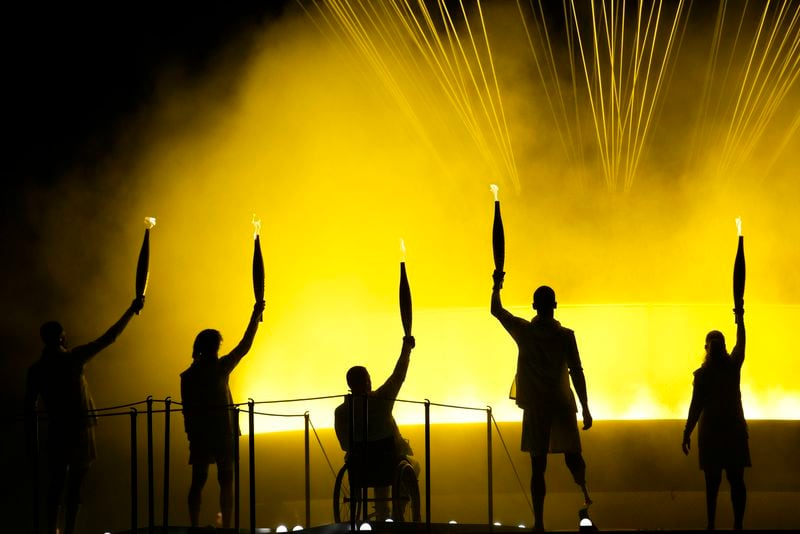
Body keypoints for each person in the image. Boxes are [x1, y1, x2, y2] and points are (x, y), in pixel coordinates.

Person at [25, 296, 145, 534]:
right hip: (80, 430)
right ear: (61, 337)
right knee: (75, 487)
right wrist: (131, 311)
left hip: (57, 430)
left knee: (55, 485)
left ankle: (51, 530)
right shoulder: (73, 359)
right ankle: (69, 530)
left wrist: (31, 440)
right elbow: (109, 338)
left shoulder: (36, 370)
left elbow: (29, 405)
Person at [491, 273, 592, 532]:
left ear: (534, 306)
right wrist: (586, 407)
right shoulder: (566, 336)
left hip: (536, 407)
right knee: (573, 456)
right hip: (561, 405)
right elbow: (577, 371)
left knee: (538, 466)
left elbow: (496, 310)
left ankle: (539, 521)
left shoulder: (524, 332)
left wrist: (497, 285)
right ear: (555, 306)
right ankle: (585, 494)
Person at [180, 299, 265, 529]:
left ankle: (194, 525)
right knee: (226, 480)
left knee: (198, 480)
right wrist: (255, 316)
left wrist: (191, 433)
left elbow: (186, 410)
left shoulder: (187, 376)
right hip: (223, 433)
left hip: (200, 435)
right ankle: (227, 526)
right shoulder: (219, 369)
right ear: (213, 348)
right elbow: (244, 346)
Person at [334, 335, 419, 521]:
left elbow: (344, 445)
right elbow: (399, 375)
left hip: (360, 468)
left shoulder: (340, 412)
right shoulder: (382, 399)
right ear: (368, 382)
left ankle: (378, 512)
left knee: (370, 462)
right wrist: (407, 349)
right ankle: (399, 508)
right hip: (389, 464)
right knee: (413, 466)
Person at [682, 309, 748, 531]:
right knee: (733, 480)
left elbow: (695, 407)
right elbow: (741, 346)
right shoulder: (730, 368)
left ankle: (714, 525)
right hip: (730, 430)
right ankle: (734, 524)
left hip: (715, 432)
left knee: (716, 483)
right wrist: (740, 319)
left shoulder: (704, 375)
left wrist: (686, 432)